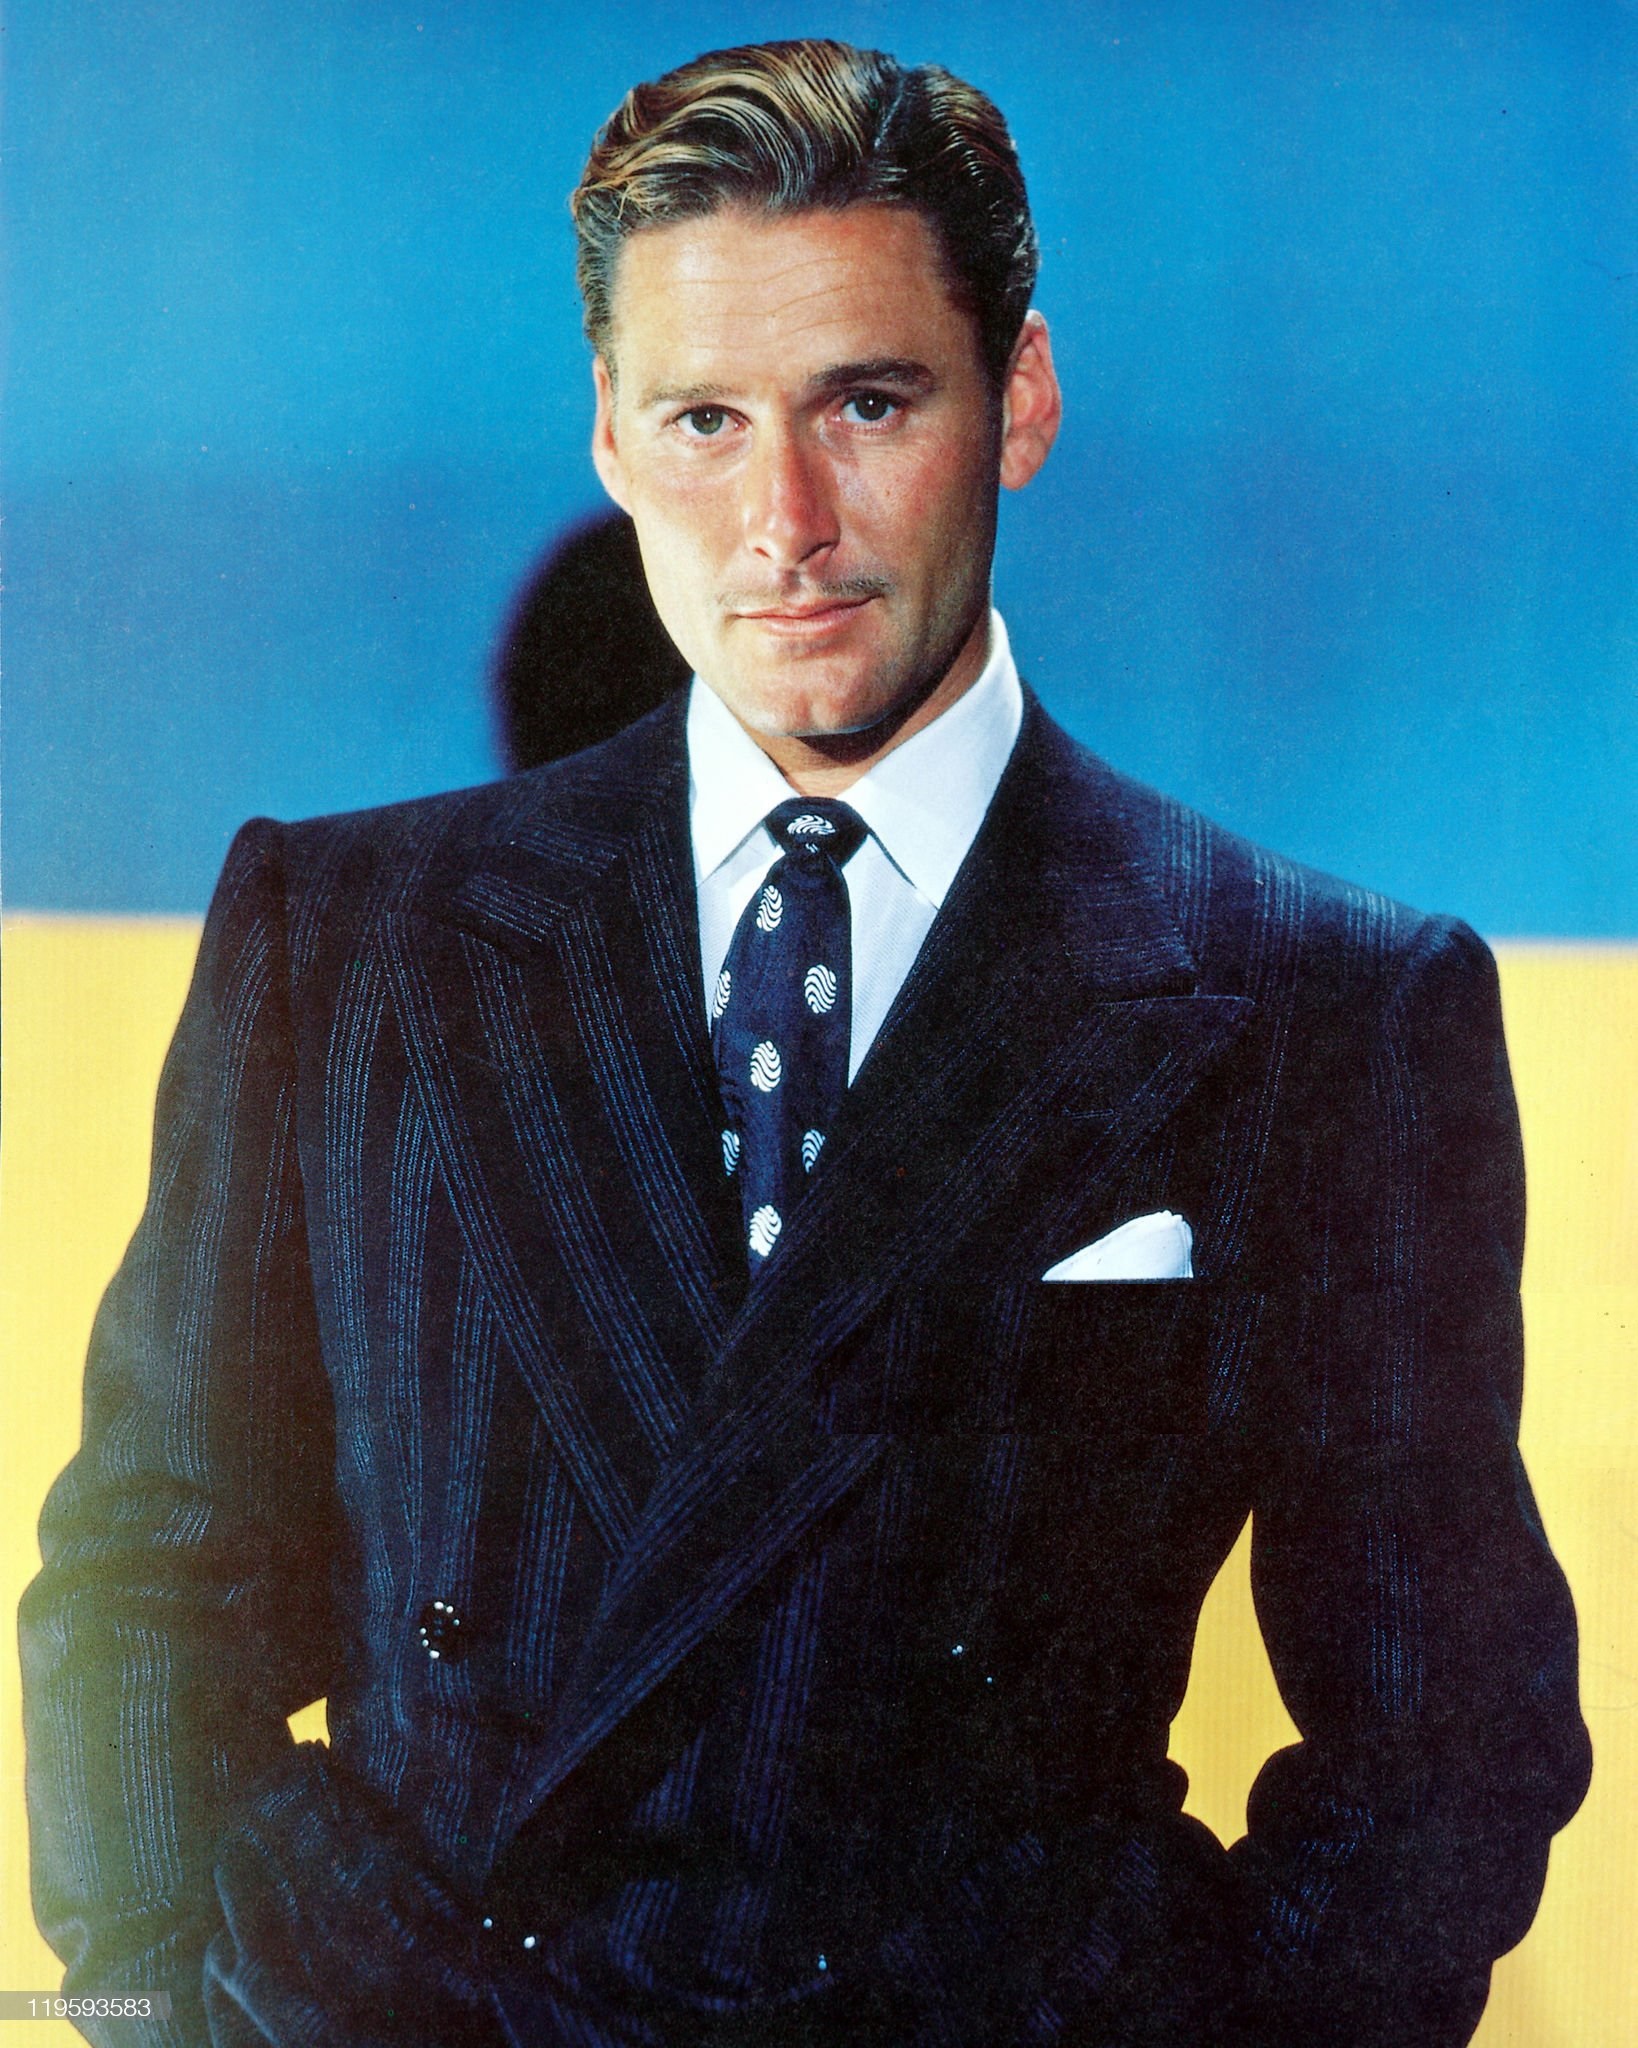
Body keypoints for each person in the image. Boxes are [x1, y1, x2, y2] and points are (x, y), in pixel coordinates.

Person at [21, 38, 1590, 2048]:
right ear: (609, 431)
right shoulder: (346, 939)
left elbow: (1442, 1732)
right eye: (704, 419)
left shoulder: (1322, 1003)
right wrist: (165, 1999)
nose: (784, 522)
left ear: (1020, 397)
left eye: (867, 403)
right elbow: (153, 1572)